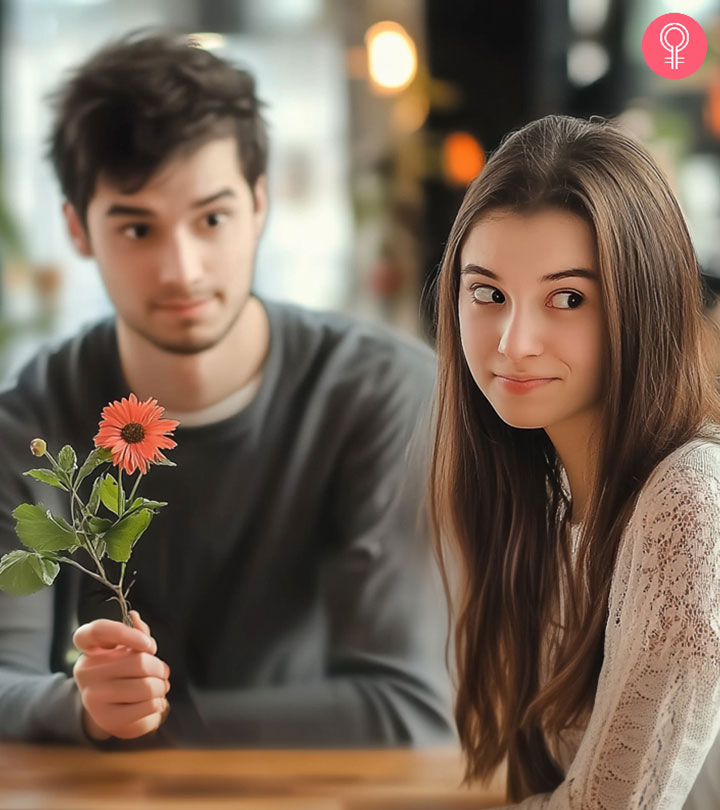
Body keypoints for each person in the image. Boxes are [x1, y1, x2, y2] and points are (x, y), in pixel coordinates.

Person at [0, 31, 454, 748]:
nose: (181, 268)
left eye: (211, 219)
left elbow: (410, 713)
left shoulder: (381, 393)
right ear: (77, 231)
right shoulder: (33, 414)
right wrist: (83, 707)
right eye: (137, 228)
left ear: (259, 204)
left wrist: (122, 726)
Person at [428, 114, 720, 807]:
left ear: (640, 305)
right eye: (489, 293)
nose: (515, 341)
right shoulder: (554, 501)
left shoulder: (690, 503)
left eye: (568, 298)